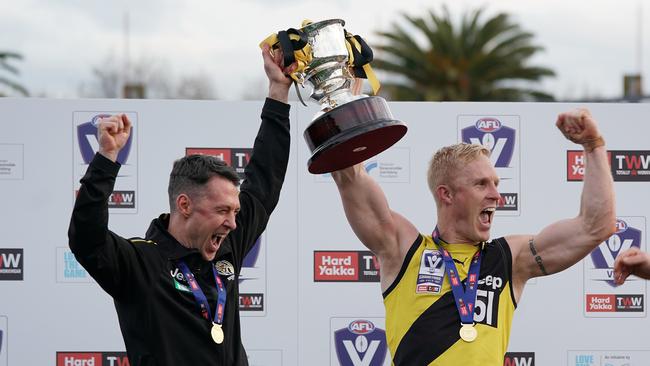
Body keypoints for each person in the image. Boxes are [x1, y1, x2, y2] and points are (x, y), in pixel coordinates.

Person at [331, 108, 615, 365]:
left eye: (496, 184)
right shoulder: (404, 249)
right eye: (481, 184)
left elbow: (594, 227)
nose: (496, 195)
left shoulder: (510, 259)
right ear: (447, 194)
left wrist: (593, 146)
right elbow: (349, 176)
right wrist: (341, 100)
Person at [68, 44, 294, 366]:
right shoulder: (140, 262)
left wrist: (277, 91)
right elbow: (86, 239)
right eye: (222, 211)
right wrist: (105, 160)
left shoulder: (227, 245)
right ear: (184, 204)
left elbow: (264, 181)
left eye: (235, 212)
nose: (232, 223)